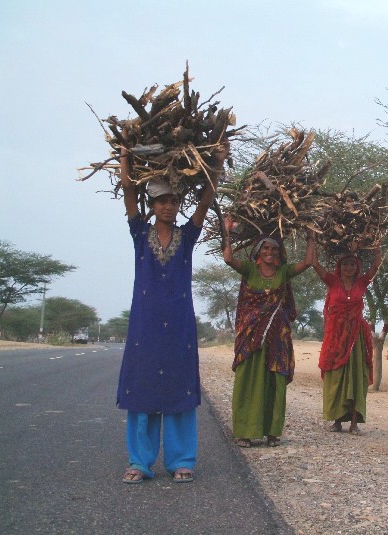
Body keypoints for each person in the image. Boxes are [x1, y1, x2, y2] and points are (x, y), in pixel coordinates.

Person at [117, 143, 227, 484]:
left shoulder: (187, 235)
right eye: (162, 201)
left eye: (173, 201)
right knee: (143, 386)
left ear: (179, 205)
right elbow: (128, 194)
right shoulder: (139, 233)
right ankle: (140, 461)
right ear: (153, 206)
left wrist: (217, 165)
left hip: (179, 322)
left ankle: (182, 460)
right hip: (145, 323)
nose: (168, 206)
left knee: (178, 386)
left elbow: (206, 202)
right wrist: (125, 158)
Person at [223, 225, 314, 448]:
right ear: (257, 252)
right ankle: (244, 431)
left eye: (274, 249)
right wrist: (227, 231)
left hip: (277, 337)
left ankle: (273, 432)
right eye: (265, 248)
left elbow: (308, 262)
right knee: (248, 380)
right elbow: (227, 258)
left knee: (276, 381)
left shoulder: (284, 272)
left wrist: (312, 234)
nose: (270, 253)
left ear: (279, 252)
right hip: (251, 336)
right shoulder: (249, 270)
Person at [312, 247, 382, 434]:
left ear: (357, 267)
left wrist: (377, 248)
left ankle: (354, 422)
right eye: (345, 264)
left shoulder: (362, 282)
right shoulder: (332, 282)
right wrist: (312, 239)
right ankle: (336, 420)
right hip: (336, 337)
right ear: (339, 266)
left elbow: (375, 267)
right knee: (336, 376)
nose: (349, 268)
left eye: (352, 264)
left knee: (356, 377)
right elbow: (314, 264)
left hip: (356, 338)